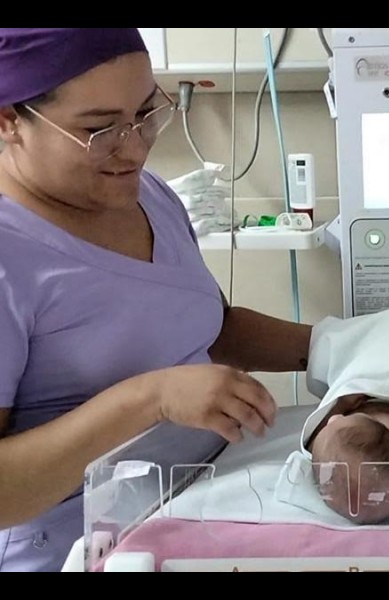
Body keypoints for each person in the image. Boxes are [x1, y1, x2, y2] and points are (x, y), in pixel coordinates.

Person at [0, 28, 312, 572]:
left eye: (146, 113)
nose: (136, 148)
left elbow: (211, 327)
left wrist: (349, 343)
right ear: (8, 120)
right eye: (99, 130)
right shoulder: (11, 253)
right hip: (84, 552)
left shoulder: (150, 196)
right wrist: (151, 399)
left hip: (194, 509)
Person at [304, 389, 389, 524]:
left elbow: (314, 431)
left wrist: (341, 405)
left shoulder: (316, 446)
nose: (333, 418)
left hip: (355, 397)